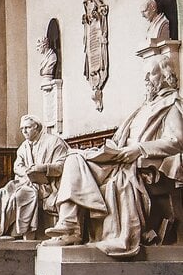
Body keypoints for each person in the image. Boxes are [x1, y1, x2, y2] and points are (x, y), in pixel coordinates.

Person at [43, 55, 183, 257]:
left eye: (150, 74)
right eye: (144, 75)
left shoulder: (171, 105)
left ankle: (71, 228)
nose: (145, 79)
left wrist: (139, 149)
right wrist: (106, 151)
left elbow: (177, 141)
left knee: (80, 163)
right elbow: (119, 140)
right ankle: (70, 227)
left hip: (140, 164)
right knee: (74, 157)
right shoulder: (143, 108)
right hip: (120, 158)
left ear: (165, 76)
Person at [0, 115, 69, 240]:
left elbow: (62, 166)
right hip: (26, 181)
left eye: (27, 128)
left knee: (22, 195)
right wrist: (27, 172)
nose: (24, 131)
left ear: (37, 128)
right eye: (22, 129)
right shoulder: (24, 146)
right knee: (2, 192)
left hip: (46, 185)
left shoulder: (54, 142)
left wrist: (42, 168)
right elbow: (17, 166)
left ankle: (25, 234)